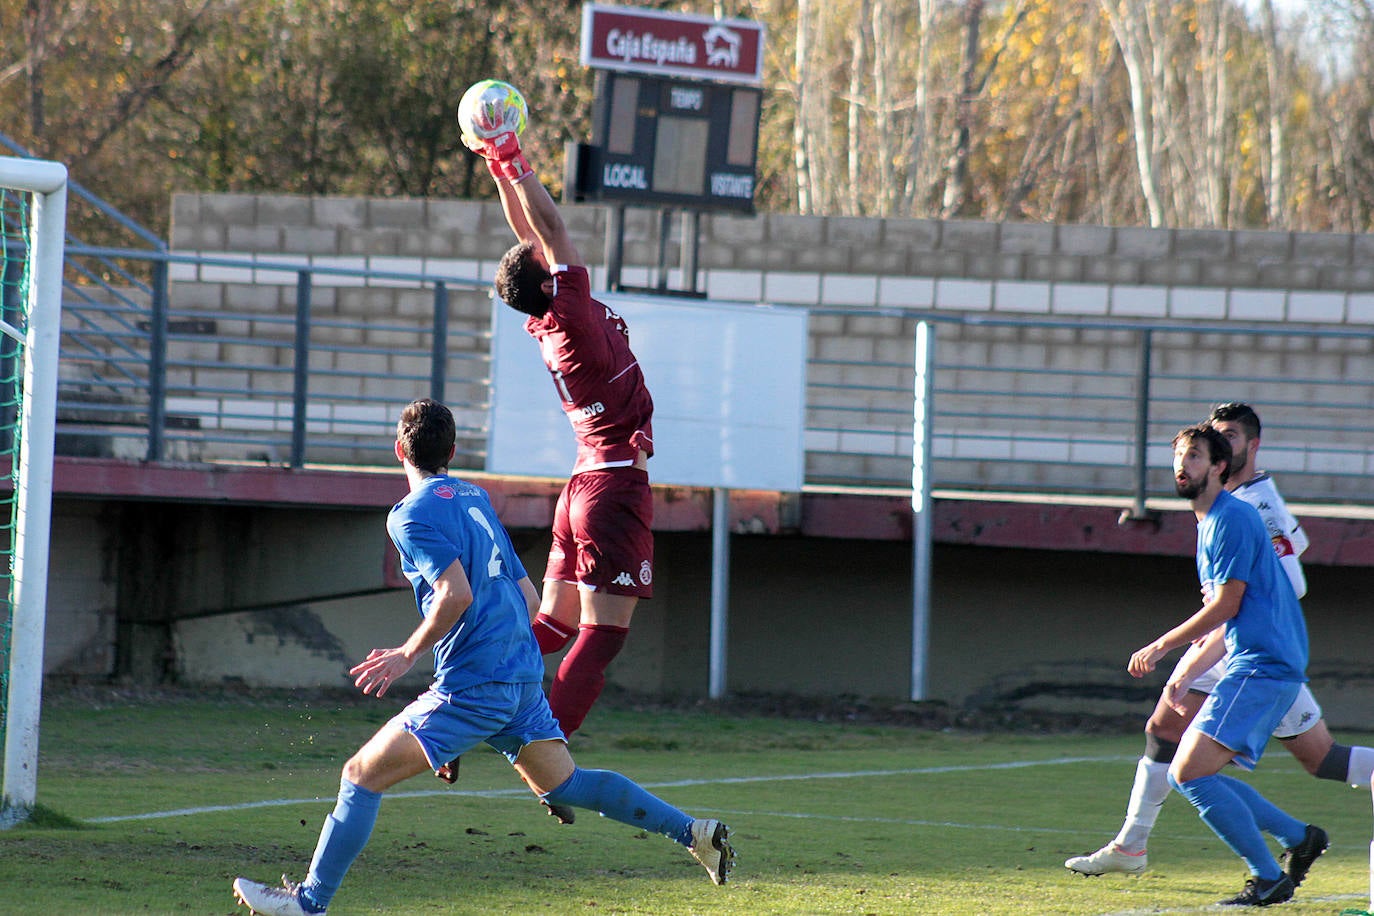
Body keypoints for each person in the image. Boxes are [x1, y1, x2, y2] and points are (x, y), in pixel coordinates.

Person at [231, 399, 733, 916]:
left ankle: (309, 904)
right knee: (569, 784)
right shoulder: (476, 497)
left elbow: (456, 594)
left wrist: (406, 654)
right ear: (452, 451)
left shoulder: (409, 514)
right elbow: (530, 600)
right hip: (520, 677)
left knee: (360, 776)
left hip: (473, 686)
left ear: (399, 449)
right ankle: (693, 832)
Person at [1066, 403, 1372, 877]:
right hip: (1252, 644)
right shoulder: (1223, 504)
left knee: (1181, 751)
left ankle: (1265, 859)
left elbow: (1286, 581)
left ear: (1247, 447)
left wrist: (1193, 651)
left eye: (1228, 436)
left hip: (1249, 649)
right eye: (1211, 437)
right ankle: (1135, 845)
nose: (1220, 443)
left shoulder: (1249, 506)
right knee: (1315, 758)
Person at [464, 88, 654, 747]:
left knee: (551, 630)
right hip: (611, 488)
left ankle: (459, 696)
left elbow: (532, 236)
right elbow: (549, 230)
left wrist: (496, 169)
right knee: (601, 638)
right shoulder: (568, 309)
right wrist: (515, 162)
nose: (554, 254)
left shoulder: (549, 317)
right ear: (548, 282)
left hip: (582, 487)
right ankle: (544, 748)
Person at [1118, 423, 1324, 907]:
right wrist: (1188, 673)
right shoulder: (1211, 521)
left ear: (1217, 467)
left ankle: (1269, 877)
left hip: (1264, 663)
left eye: (1193, 457)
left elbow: (1228, 605)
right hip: (1256, 660)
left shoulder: (1231, 519)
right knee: (1185, 773)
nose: (1181, 466)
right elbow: (1228, 621)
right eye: (1179, 457)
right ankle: (1299, 838)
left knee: (1189, 774)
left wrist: (1162, 646)